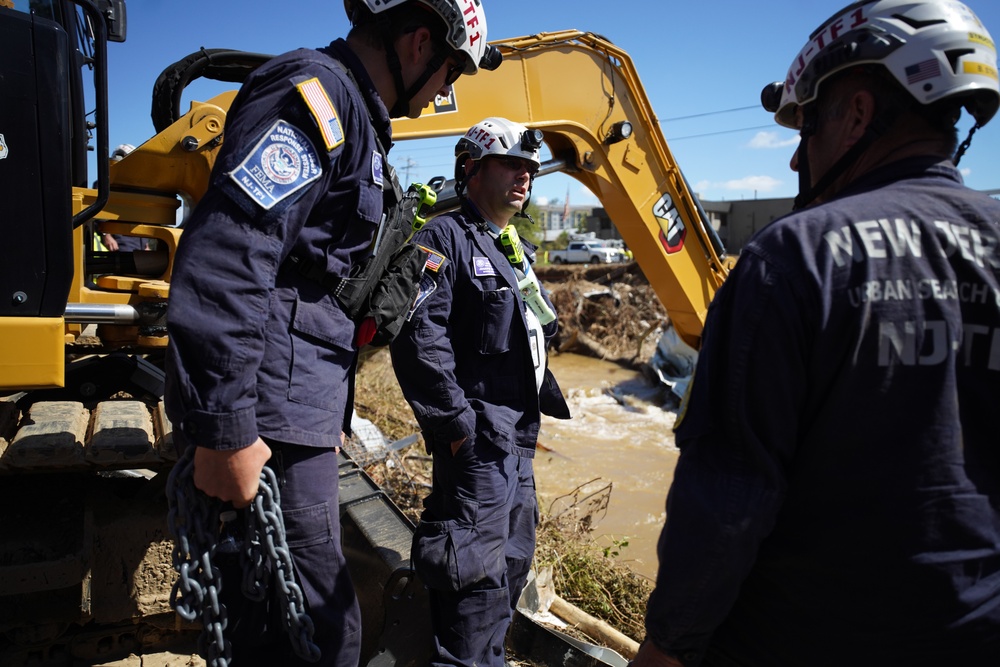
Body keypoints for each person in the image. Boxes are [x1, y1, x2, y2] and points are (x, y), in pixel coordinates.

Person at [632, 1, 1000, 666]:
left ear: (858, 113)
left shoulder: (790, 258)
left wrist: (666, 645)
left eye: (808, 124)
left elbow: (728, 501)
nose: (799, 154)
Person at [163, 2, 496, 666]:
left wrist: (330, 410)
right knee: (318, 634)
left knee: (299, 632)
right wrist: (225, 430)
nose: (446, 94)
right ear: (420, 43)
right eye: (451, 72)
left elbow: (309, 285)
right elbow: (229, 257)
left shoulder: (356, 120)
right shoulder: (316, 99)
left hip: (297, 416)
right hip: (268, 422)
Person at [390, 117, 571, 666]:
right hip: (477, 446)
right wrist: (456, 431)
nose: (525, 177)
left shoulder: (512, 249)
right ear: (471, 169)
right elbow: (419, 340)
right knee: (471, 582)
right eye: (512, 165)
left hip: (516, 444)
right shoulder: (442, 237)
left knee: (510, 570)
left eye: (530, 169)